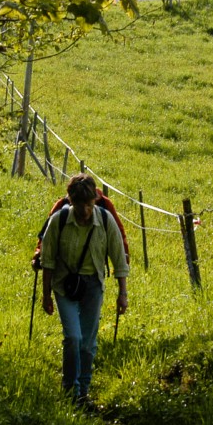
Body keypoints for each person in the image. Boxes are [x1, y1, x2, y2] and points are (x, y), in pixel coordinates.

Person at [41, 173, 129, 407]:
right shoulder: (58, 221)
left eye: (89, 205)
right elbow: (47, 260)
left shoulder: (105, 219)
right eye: (80, 205)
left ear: (94, 202)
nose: (85, 210)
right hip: (64, 284)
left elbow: (119, 258)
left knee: (87, 343)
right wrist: (46, 294)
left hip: (93, 286)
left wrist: (123, 293)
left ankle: (83, 392)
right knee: (73, 337)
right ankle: (70, 390)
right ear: (71, 201)